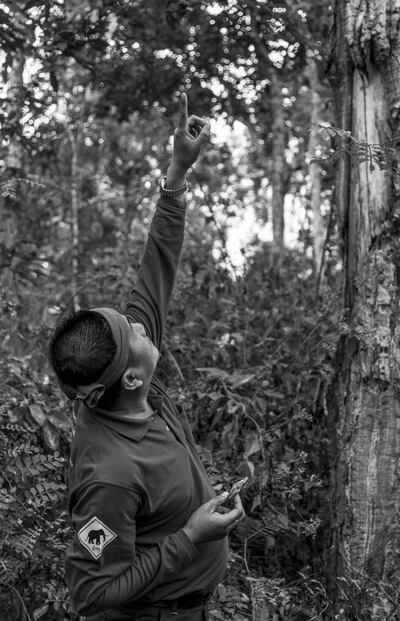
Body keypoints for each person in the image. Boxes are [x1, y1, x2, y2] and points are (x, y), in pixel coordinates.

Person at [49, 93, 245, 621]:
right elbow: (91, 596)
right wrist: (190, 536)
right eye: (134, 332)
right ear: (132, 378)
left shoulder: (132, 380)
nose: (140, 323)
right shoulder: (109, 477)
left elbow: (155, 267)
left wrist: (178, 171)